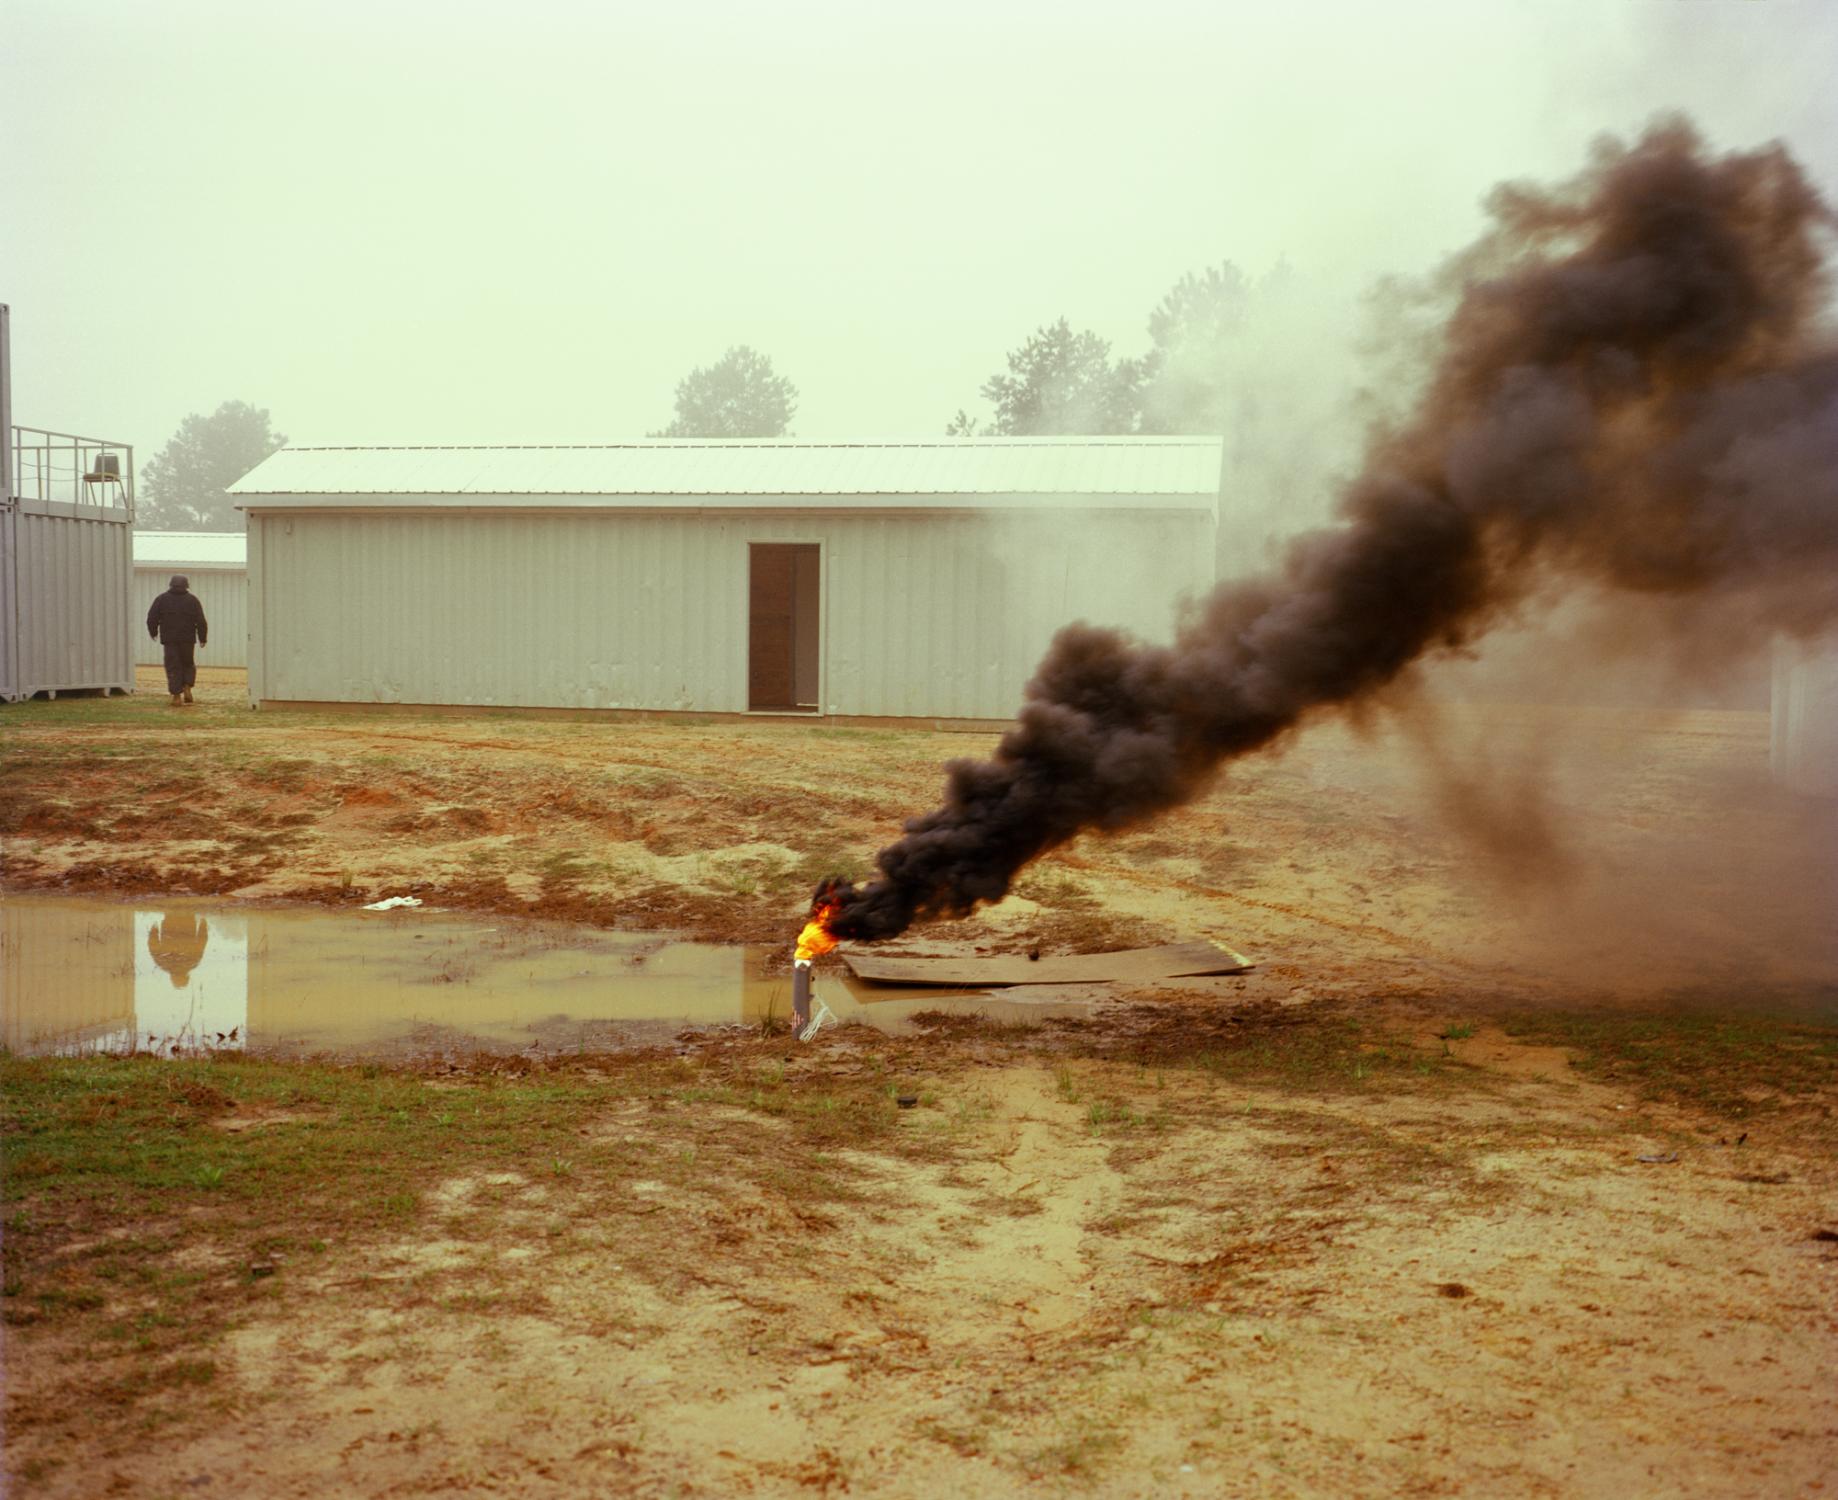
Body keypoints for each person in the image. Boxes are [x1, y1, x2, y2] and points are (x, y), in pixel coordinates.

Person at [146, 574, 208, 705]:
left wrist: (153, 632)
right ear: (186, 586)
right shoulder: (192, 600)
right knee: (188, 663)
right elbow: (201, 621)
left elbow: (152, 617)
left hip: (170, 640)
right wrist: (202, 637)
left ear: (171, 585)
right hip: (188, 639)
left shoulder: (161, 599)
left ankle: (176, 696)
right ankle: (187, 687)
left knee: (173, 666)